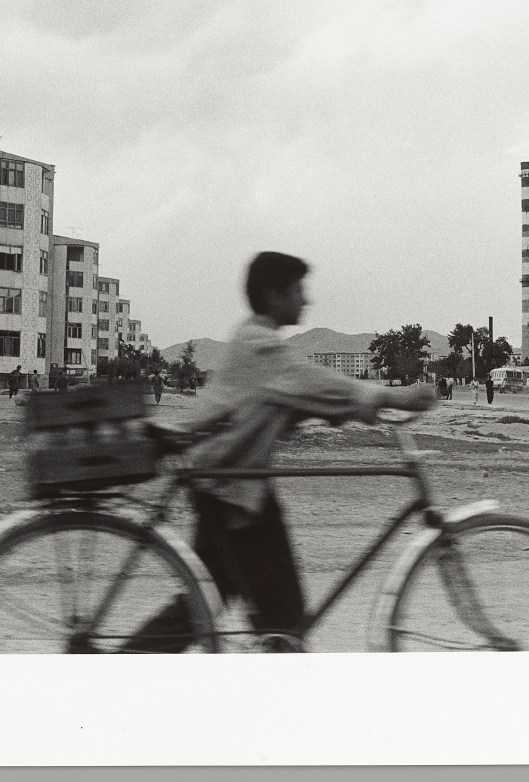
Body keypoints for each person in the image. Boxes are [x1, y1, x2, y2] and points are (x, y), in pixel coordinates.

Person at [126, 251, 434, 653]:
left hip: (228, 482)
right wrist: (395, 396)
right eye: (299, 291)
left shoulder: (254, 338)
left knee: (211, 603)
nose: (306, 301)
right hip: (232, 489)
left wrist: (337, 412)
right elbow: (316, 382)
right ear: (274, 296)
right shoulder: (263, 347)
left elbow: (297, 397)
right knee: (279, 615)